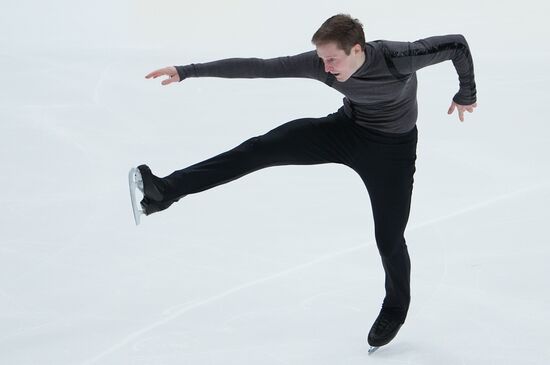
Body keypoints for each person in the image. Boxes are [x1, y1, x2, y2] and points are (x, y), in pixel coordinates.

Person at [134, 13, 477, 350]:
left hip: (393, 152)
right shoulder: (321, 64)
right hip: (346, 131)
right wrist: (187, 71)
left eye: (332, 59)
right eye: (321, 58)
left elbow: (457, 46)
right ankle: (164, 192)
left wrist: (467, 92)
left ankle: (395, 308)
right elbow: (260, 67)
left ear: (357, 49)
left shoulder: (397, 57)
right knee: (260, 149)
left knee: (389, 237)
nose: (325, 67)